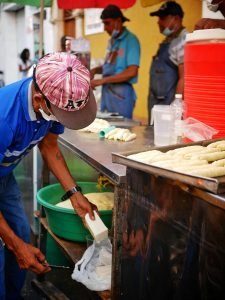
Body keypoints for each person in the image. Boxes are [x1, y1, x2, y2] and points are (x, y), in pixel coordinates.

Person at [0, 52, 97, 299]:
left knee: (21, 234)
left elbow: (50, 146)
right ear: (37, 99)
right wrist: (16, 246)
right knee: (8, 248)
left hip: (5, 175)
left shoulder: (53, 102)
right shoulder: (4, 120)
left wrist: (75, 194)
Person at [90, 4, 141, 119]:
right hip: (107, 94)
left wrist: (102, 81)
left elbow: (132, 71)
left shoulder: (131, 40)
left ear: (118, 21)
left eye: (107, 23)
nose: (105, 28)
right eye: (103, 24)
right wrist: (95, 70)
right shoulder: (112, 42)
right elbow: (109, 65)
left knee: (121, 131)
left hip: (122, 96)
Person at [148, 1, 187, 125]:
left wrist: (177, 105)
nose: (158, 22)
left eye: (163, 18)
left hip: (169, 106)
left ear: (176, 19)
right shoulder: (170, 40)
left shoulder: (184, 41)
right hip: (156, 103)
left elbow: (184, 77)